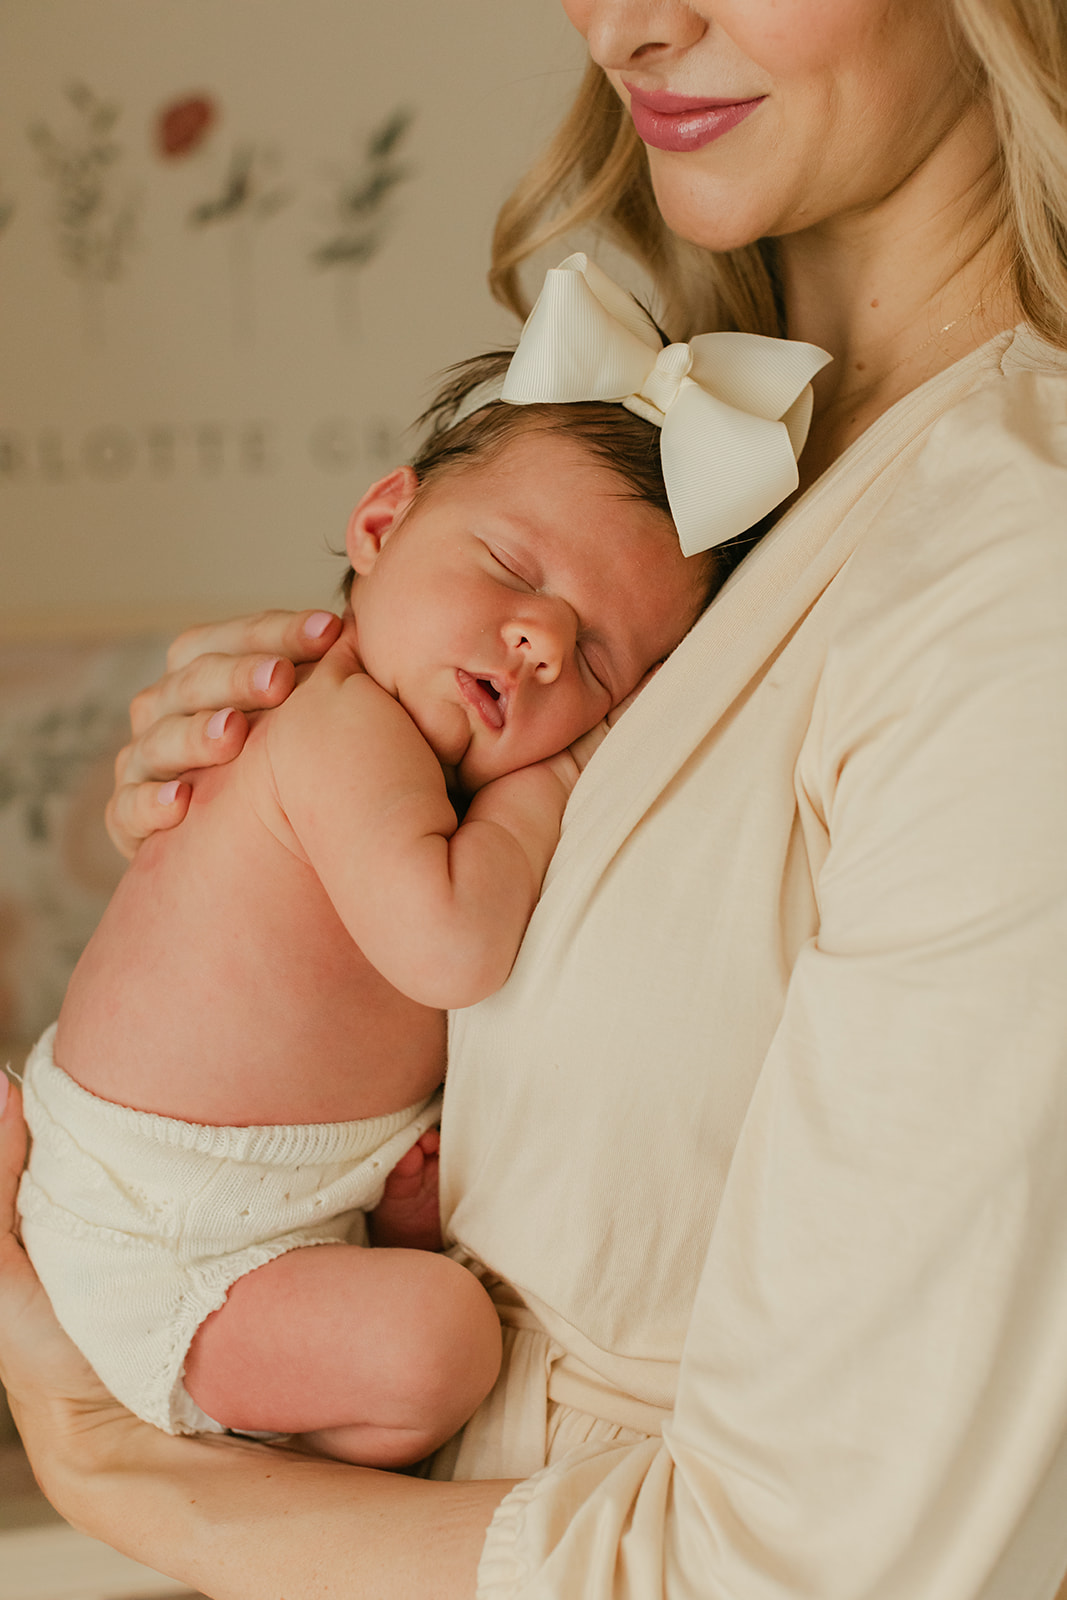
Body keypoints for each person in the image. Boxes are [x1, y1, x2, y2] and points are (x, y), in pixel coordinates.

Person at [1, 2, 1066, 1598]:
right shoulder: (692, 497)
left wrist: (127, 1470)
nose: (629, 21)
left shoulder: (1009, 578)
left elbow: (813, 1570)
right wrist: (245, 867)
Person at [14, 317, 751, 1467]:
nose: (540, 638)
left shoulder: (405, 760)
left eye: (599, 662)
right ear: (377, 524)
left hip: (270, 1198)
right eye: (511, 570)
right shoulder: (339, 726)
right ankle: (268, 1430)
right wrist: (548, 784)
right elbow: (449, 950)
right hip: (167, 1226)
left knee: (423, 1334)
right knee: (444, 1341)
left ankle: (303, 1391)